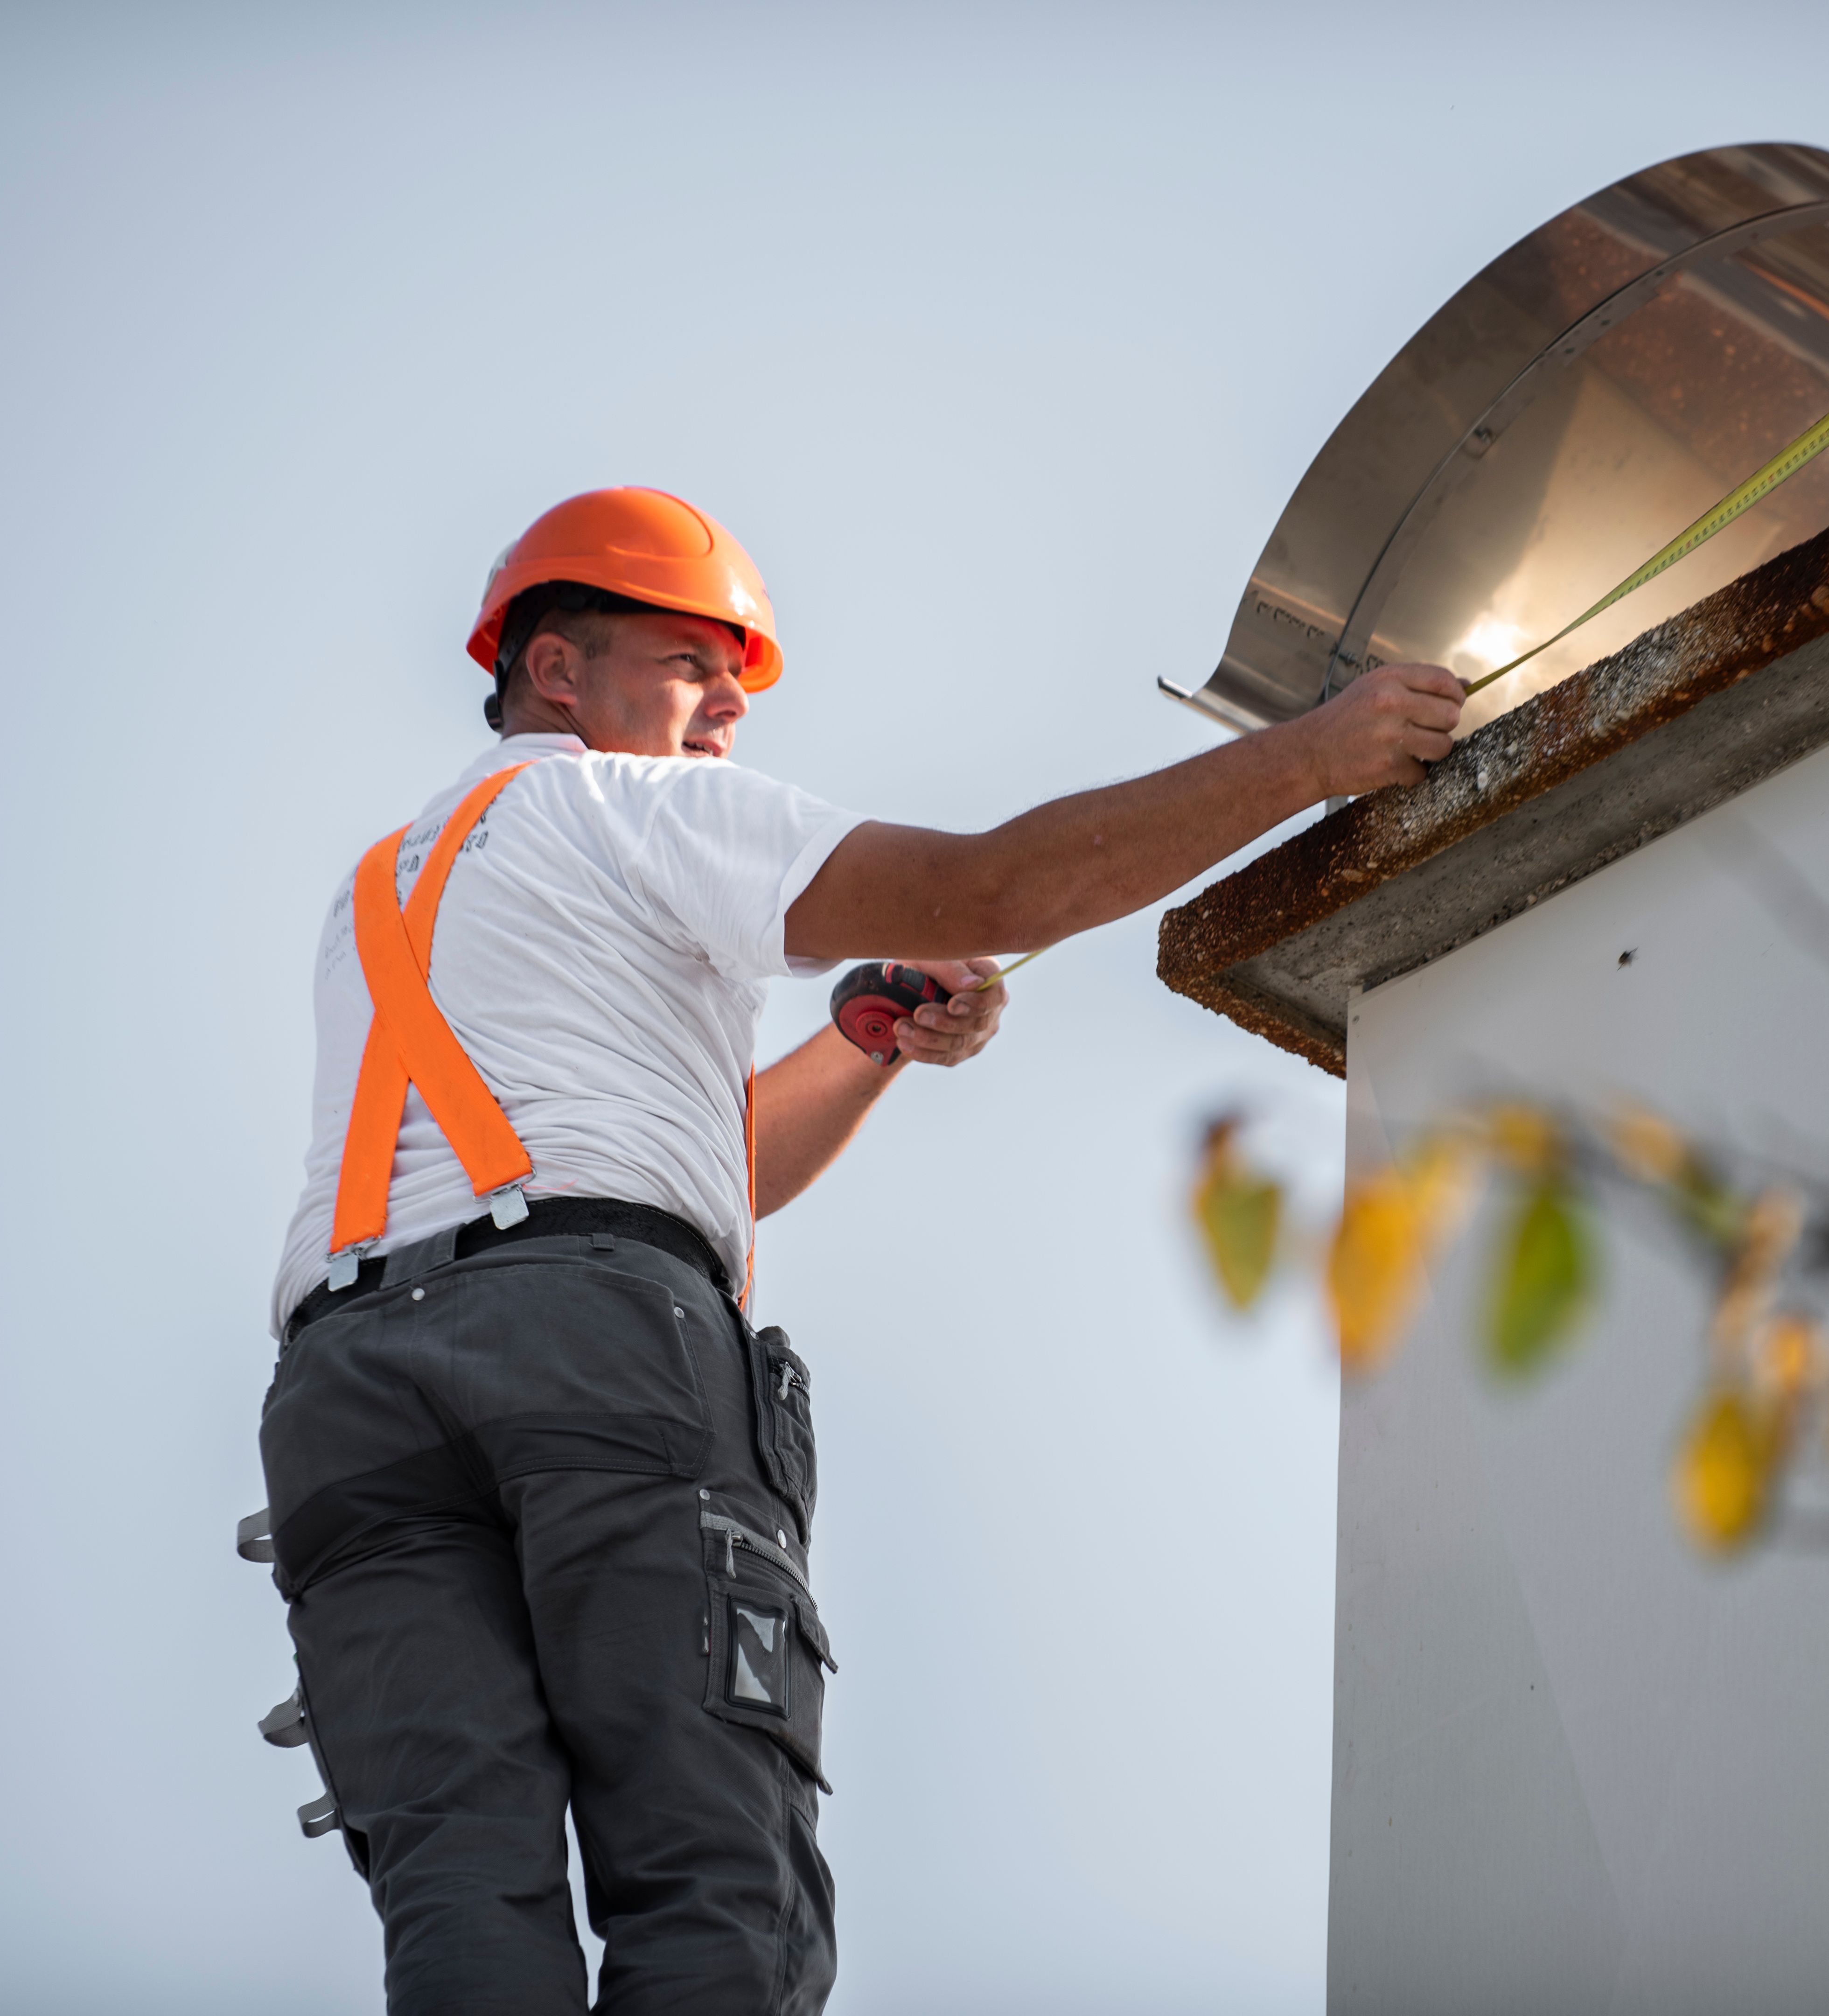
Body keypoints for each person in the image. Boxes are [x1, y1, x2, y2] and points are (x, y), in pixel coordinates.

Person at [254, 486, 1462, 2013]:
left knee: (457, 1891)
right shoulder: (636, 806)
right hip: (591, 1351)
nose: (725, 711)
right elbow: (996, 886)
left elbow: (677, 1168)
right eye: (691, 665)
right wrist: (1313, 758)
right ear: (555, 669)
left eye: (736, 684)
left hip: (349, 1403)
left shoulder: (392, 886)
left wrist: (867, 1039)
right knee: (715, 1873)